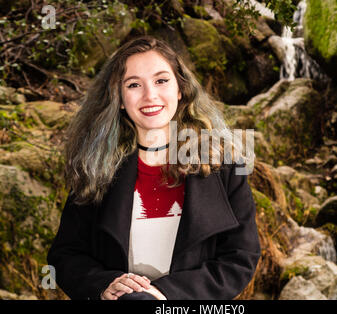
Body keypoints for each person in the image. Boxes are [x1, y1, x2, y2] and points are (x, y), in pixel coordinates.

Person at [47, 35, 261, 300]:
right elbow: (65, 255)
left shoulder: (225, 165)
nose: (150, 95)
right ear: (120, 99)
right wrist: (105, 285)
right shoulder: (96, 167)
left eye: (161, 81)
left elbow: (241, 257)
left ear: (180, 89)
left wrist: (165, 294)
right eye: (134, 84)